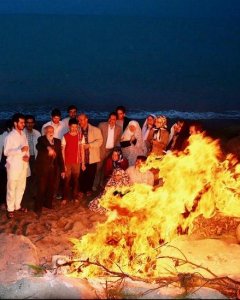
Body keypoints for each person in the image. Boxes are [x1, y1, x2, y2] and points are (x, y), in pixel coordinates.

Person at [34, 125, 65, 218]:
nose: (50, 132)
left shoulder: (58, 141)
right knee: (41, 188)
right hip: (42, 169)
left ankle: (48, 204)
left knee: (51, 187)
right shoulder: (41, 140)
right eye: (48, 131)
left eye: (52, 130)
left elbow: (60, 157)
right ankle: (38, 208)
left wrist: (62, 169)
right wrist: (49, 148)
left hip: (53, 169)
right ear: (44, 132)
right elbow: (42, 144)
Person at [4, 113, 30, 219]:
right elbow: (6, 152)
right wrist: (19, 151)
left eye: (24, 122)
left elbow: (26, 148)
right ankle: (10, 209)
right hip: (13, 165)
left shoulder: (23, 134)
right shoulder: (10, 136)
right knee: (11, 187)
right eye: (21, 122)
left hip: (23, 164)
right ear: (15, 123)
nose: (23, 124)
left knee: (21, 186)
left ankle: (17, 205)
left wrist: (27, 156)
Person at [93, 112, 122, 191]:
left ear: (116, 120)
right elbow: (96, 137)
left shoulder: (119, 128)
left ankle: (102, 184)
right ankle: (95, 185)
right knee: (98, 168)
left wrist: (115, 151)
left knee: (106, 168)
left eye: (114, 119)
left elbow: (118, 140)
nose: (112, 120)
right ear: (108, 118)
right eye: (111, 118)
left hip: (111, 151)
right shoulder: (102, 125)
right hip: (101, 150)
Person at [78, 113, 103, 198]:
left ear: (86, 119)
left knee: (91, 174)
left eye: (81, 120)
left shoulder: (95, 130)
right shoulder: (77, 129)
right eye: (79, 120)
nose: (80, 121)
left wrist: (89, 145)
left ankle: (88, 189)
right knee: (81, 174)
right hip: (81, 156)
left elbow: (100, 141)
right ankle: (81, 190)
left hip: (92, 156)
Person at [41, 108, 65, 199]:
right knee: (47, 172)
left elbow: (65, 135)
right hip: (49, 151)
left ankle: (55, 192)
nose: (56, 120)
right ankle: (47, 192)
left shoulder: (63, 125)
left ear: (60, 117)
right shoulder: (46, 126)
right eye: (54, 118)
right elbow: (42, 140)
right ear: (51, 117)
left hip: (59, 150)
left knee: (58, 172)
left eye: (58, 118)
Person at [61, 118, 85, 205]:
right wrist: (63, 164)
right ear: (69, 126)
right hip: (67, 162)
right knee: (66, 180)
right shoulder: (65, 136)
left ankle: (75, 197)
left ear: (78, 127)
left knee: (76, 180)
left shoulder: (81, 136)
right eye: (72, 127)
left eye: (76, 127)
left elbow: (82, 150)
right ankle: (64, 197)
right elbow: (62, 151)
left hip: (77, 162)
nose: (74, 128)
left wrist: (83, 163)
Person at [21, 115, 41, 211]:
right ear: (25, 123)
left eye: (31, 122)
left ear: (33, 123)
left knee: (35, 177)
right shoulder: (21, 133)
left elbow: (40, 147)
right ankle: (24, 200)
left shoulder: (37, 133)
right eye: (27, 122)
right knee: (26, 179)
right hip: (24, 159)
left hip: (35, 158)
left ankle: (32, 195)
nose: (29, 124)